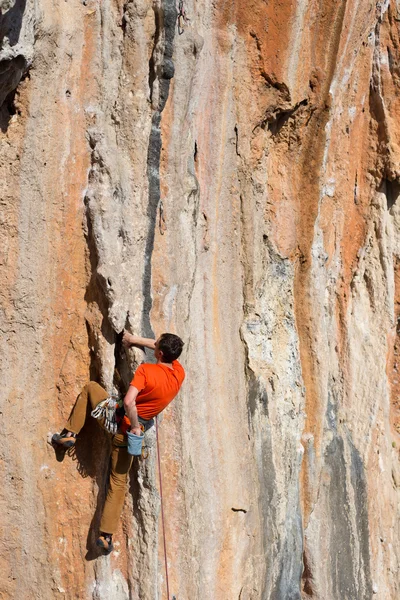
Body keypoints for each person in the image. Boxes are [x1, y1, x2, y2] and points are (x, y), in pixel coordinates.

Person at [52, 331, 185, 553]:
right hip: (134, 436)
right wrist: (133, 340)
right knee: (118, 483)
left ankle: (69, 434)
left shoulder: (146, 371)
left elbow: (129, 401)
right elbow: (159, 345)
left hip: (120, 422)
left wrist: (132, 423)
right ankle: (106, 536)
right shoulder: (179, 373)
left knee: (91, 389)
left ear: (159, 353)